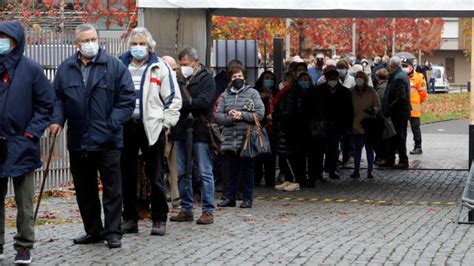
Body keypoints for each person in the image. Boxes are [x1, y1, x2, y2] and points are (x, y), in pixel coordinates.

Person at [50, 24, 136, 249]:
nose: (91, 43)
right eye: (86, 40)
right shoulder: (66, 68)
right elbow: (57, 98)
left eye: (93, 39)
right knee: (84, 190)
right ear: (76, 44)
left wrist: (113, 122)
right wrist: (57, 120)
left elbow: (127, 98)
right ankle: (93, 230)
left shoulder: (114, 66)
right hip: (79, 140)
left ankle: (113, 232)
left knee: (112, 189)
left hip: (107, 139)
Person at [118, 28, 182, 236]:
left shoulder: (160, 66)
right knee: (126, 176)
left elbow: (173, 98)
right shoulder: (120, 65)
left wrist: (166, 123)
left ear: (149, 46)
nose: (138, 48)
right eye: (134, 44)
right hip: (126, 125)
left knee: (155, 175)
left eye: (142, 44)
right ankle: (129, 219)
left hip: (152, 127)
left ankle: (159, 219)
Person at [0, 20, 54, 264]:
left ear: (16, 40)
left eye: (5, 37)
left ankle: (24, 245)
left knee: (24, 202)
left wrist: (31, 133)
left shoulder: (31, 69)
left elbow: (45, 105)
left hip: (22, 144)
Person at [169, 47, 216, 224]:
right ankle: (186, 208)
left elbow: (203, 103)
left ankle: (208, 210)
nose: (183, 67)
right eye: (181, 64)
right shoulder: (178, 79)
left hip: (200, 131)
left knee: (204, 172)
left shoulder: (207, 79)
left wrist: (184, 103)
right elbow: (171, 100)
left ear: (196, 62)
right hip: (181, 130)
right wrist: (187, 104)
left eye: (185, 64)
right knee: (182, 172)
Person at [215, 66, 265, 208]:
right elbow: (218, 115)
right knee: (231, 170)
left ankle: (247, 198)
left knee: (247, 170)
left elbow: (260, 114)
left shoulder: (253, 93)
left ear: (244, 77)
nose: (237, 79)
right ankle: (229, 197)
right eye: (234, 77)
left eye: (239, 76)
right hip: (230, 138)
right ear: (230, 79)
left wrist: (242, 115)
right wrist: (230, 117)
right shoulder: (225, 95)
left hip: (247, 138)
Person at [316, 65, 353, 179]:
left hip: (337, 125)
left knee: (333, 149)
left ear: (338, 79)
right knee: (320, 149)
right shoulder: (319, 90)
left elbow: (349, 110)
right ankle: (319, 172)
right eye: (330, 78)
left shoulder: (345, 92)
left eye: (334, 78)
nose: (332, 80)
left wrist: (347, 126)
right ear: (326, 79)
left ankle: (332, 169)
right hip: (322, 124)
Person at [381, 56, 411, 168]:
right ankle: (391, 159)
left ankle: (403, 160)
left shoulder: (398, 78)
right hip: (399, 113)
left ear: (391, 66)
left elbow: (400, 97)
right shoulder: (400, 75)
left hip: (398, 114)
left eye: (389, 65)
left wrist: (389, 108)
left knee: (398, 137)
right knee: (394, 137)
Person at [350, 72, 381, 179]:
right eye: (357, 78)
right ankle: (356, 170)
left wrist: (372, 110)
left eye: (361, 78)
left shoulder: (371, 91)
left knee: (369, 149)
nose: (359, 80)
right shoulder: (352, 92)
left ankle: (370, 170)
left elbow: (378, 105)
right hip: (355, 125)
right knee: (356, 149)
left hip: (368, 125)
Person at [162, 55, 182, 209]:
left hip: (174, 132)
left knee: (174, 169)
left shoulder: (180, 83)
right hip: (157, 131)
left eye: (175, 69)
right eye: (171, 68)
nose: (174, 71)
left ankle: (176, 199)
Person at [254, 71, 278, 187]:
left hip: (272, 128)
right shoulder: (255, 93)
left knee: (271, 155)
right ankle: (256, 178)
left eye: (271, 79)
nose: (269, 81)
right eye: (266, 78)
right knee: (258, 154)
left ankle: (270, 180)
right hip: (260, 127)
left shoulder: (276, 93)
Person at [402, 58, 427, 155]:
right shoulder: (402, 77)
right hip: (404, 109)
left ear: (411, 67)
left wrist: (417, 102)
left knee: (415, 129)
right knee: (402, 129)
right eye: (403, 66)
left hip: (414, 109)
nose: (404, 68)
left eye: (406, 66)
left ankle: (418, 147)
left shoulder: (418, 77)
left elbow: (423, 94)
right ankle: (400, 147)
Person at [374, 68, 389, 165]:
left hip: (381, 117)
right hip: (388, 116)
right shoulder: (389, 85)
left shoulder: (379, 88)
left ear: (378, 77)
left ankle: (381, 157)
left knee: (380, 139)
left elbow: (377, 103)